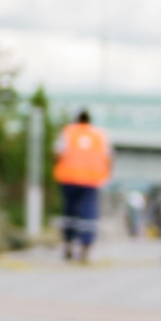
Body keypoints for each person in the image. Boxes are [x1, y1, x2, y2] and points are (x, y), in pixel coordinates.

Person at [54, 109, 112, 262]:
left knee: (70, 213)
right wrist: (106, 175)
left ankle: (68, 244)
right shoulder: (99, 135)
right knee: (88, 214)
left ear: (77, 120)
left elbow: (57, 153)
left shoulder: (68, 132)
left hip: (69, 178)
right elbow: (109, 157)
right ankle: (86, 246)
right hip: (91, 180)